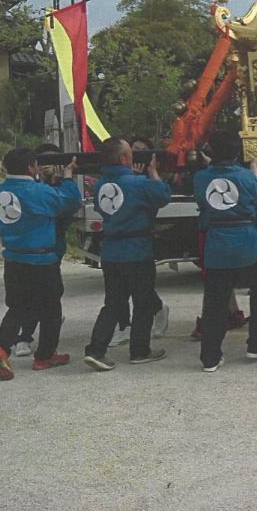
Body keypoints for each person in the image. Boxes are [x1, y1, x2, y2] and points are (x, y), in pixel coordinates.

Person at [0, 148, 81, 380]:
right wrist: (68, 177)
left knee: (18, 307)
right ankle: (45, 355)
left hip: (14, 258)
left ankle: (1, 347)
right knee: (51, 308)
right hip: (40, 259)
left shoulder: (4, 190)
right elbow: (69, 202)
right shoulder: (35, 190)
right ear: (31, 167)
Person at [82, 137, 170, 371]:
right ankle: (139, 350)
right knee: (142, 303)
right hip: (136, 249)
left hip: (111, 251)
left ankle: (96, 350)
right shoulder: (137, 183)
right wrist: (152, 173)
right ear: (123, 158)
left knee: (112, 303)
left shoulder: (101, 185)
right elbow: (162, 196)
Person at [194, 130, 257, 372]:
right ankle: (256, 344)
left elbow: (202, 199)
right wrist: (254, 171)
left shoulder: (200, 178)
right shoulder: (246, 177)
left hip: (217, 243)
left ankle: (210, 356)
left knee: (215, 302)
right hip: (248, 242)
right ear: (238, 152)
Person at [12, 142, 73, 358]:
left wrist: (60, 182)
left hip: (52, 245)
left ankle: (45, 340)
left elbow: (67, 208)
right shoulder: (31, 186)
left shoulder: (57, 186)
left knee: (51, 293)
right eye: (45, 162)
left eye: (54, 162)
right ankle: (24, 336)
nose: (49, 167)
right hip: (30, 248)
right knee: (28, 295)